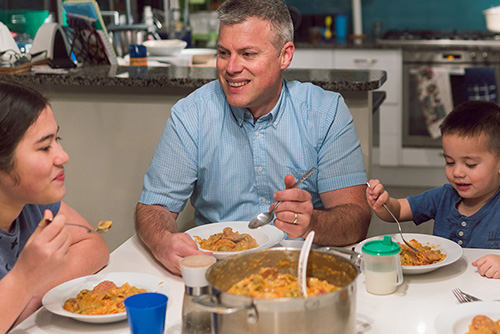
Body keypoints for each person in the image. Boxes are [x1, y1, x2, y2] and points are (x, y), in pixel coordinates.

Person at [135, 0, 371, 276]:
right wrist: (163, 242)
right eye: (224, 53)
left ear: (285, 56)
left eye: (248, 54)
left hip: (303, 272)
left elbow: (356, 219)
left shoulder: (325, 112)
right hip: (217, 272)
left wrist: (311, 221)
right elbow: (153, 207)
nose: (231, 67)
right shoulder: (191, 115)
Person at [0, 80, 110, 332]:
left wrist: (30, 295)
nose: (63, 156)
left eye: (57, 139)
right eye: (45, 146)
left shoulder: (32, 203)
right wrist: (24, 277)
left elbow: (93, 244)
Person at [367, 100, 500, 279]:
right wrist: (383, 203)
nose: (457, 172)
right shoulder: (443, 196)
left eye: (470, 164)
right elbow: (398, 211)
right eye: (450, 162)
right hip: (440, 287)